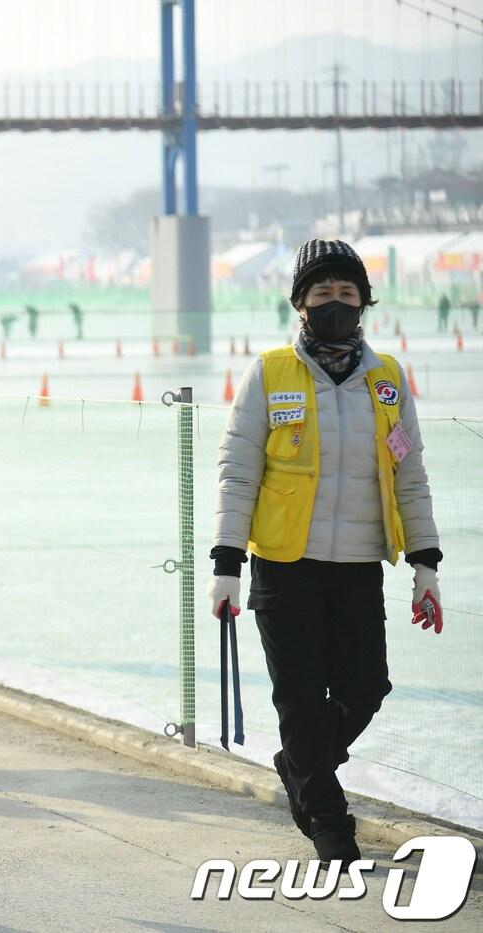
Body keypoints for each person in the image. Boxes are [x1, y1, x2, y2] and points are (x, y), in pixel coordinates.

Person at [208, 238, 442, 863]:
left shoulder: (387, 380)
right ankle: (331, 825)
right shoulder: (269, 372)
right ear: (300, 303)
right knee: (301, 697)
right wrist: (227, 565)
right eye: (322, 292)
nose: (335, 302)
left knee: (367, 686)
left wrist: (425, 563)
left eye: (347, 292)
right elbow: (237, 473)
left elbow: (410, 475)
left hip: (360, 564)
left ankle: (299, 765)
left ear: (364, 301)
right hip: (284, 564)